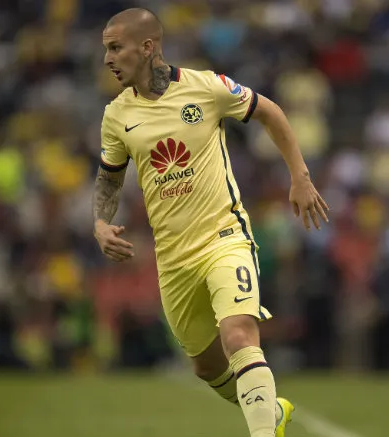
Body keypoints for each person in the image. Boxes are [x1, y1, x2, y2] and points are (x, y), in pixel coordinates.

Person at [92, 8, 329, 437]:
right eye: (106, 49)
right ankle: (270, 413)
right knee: (206, 367)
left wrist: (300, 176)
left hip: (225, 237)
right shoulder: (116, 115)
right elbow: (110, 178)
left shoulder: (207, 87)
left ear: (147, 47)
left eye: (115, 47)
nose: (107, 58)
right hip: (173, 258)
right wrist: (100, 223)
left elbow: (270, 112)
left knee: (239, 335)